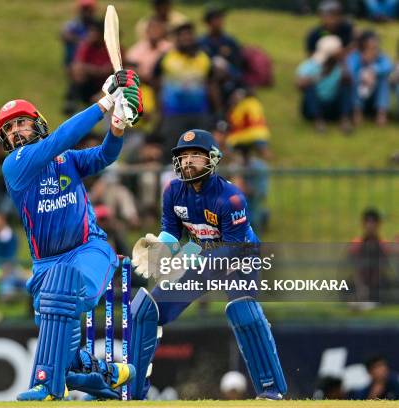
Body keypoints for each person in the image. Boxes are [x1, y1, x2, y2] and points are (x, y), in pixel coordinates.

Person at [0, 70, 143, 400]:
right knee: (57, 319)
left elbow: (105, 155)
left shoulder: (67, 160)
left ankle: (47, 386)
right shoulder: (14, 166)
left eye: (21, 122)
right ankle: (104, 374)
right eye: (9, 128)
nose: (16, 131)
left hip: (89, 249)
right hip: (46, 264)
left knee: (61, 299)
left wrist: (116, 127)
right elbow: (60, 138)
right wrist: (104, 103)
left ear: (37, 123)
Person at [129, 129, 286, 400]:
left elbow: (230, 249)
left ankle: (271, 391)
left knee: (243, 312)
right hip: (201, 248)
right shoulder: (173, 191)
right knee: (146, 311)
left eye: (195, 156)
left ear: (212, 160)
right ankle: (132, 392)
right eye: (183, 156)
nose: (188, 161)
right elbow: (171, 230)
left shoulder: (231, 198)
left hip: (239, 254)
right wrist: (159, 250)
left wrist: (184, 259)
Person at [152, 22, 220, 162]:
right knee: (172, 150)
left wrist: (218, 110)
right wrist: (159, 108)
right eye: (182, 35)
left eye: (189, 35)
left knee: (201, 150)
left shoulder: (204, 58)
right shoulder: (167, 58)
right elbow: (155, 82)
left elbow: (212, 84)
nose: (186, 38)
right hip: (173, 114)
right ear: (176, 38)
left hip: (200, 114)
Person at [296, 35, 353, 133]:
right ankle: (318, 120)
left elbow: (350, 81)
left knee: (345, 86)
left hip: (333, 106)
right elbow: (299, 84)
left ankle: (344, 119)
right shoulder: (311, 65)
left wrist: (342, 65)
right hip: (315, 105)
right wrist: (318, 76)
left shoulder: (341, 65)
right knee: (310, 88)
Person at [347, 30, 393, 126]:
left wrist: (373, 70)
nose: (373, 48)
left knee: (383, 80)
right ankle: (357, 112)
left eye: (375, 46)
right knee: (355, 80)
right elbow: (350, 72)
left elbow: (388, 67)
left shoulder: (380, 57)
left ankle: (381, 114)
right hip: (358, 95)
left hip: (374, 97)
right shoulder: (355, 56)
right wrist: (363, 74)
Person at [348, 208, 391, 304]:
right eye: (368, 222)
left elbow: (382, 268)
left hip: (377, 283)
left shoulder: (383, 245)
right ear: (363, 224)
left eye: (373, 222)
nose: (370, 225)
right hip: (359, 281)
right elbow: (354, 268)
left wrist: (372, 285)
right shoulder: (356, 244)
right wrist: (361, 286)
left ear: (378, 224)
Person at [70, 20, 114, 109]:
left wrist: (86, 68)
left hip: (107, 84)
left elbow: (106, 71)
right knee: (78, 73)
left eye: (94, 31)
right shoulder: (86, 45)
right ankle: (75, 101)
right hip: (90, 82)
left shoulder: (111, 47)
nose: (91, 34)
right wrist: (94, 70)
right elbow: (77, 66)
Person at [126, 18, 172, 85]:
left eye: (158, 28)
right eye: (152, 28)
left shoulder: (169, 48)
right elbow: (129, 69)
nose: (155, 31)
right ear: (147, 31)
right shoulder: (136, 49)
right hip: (142, 84)